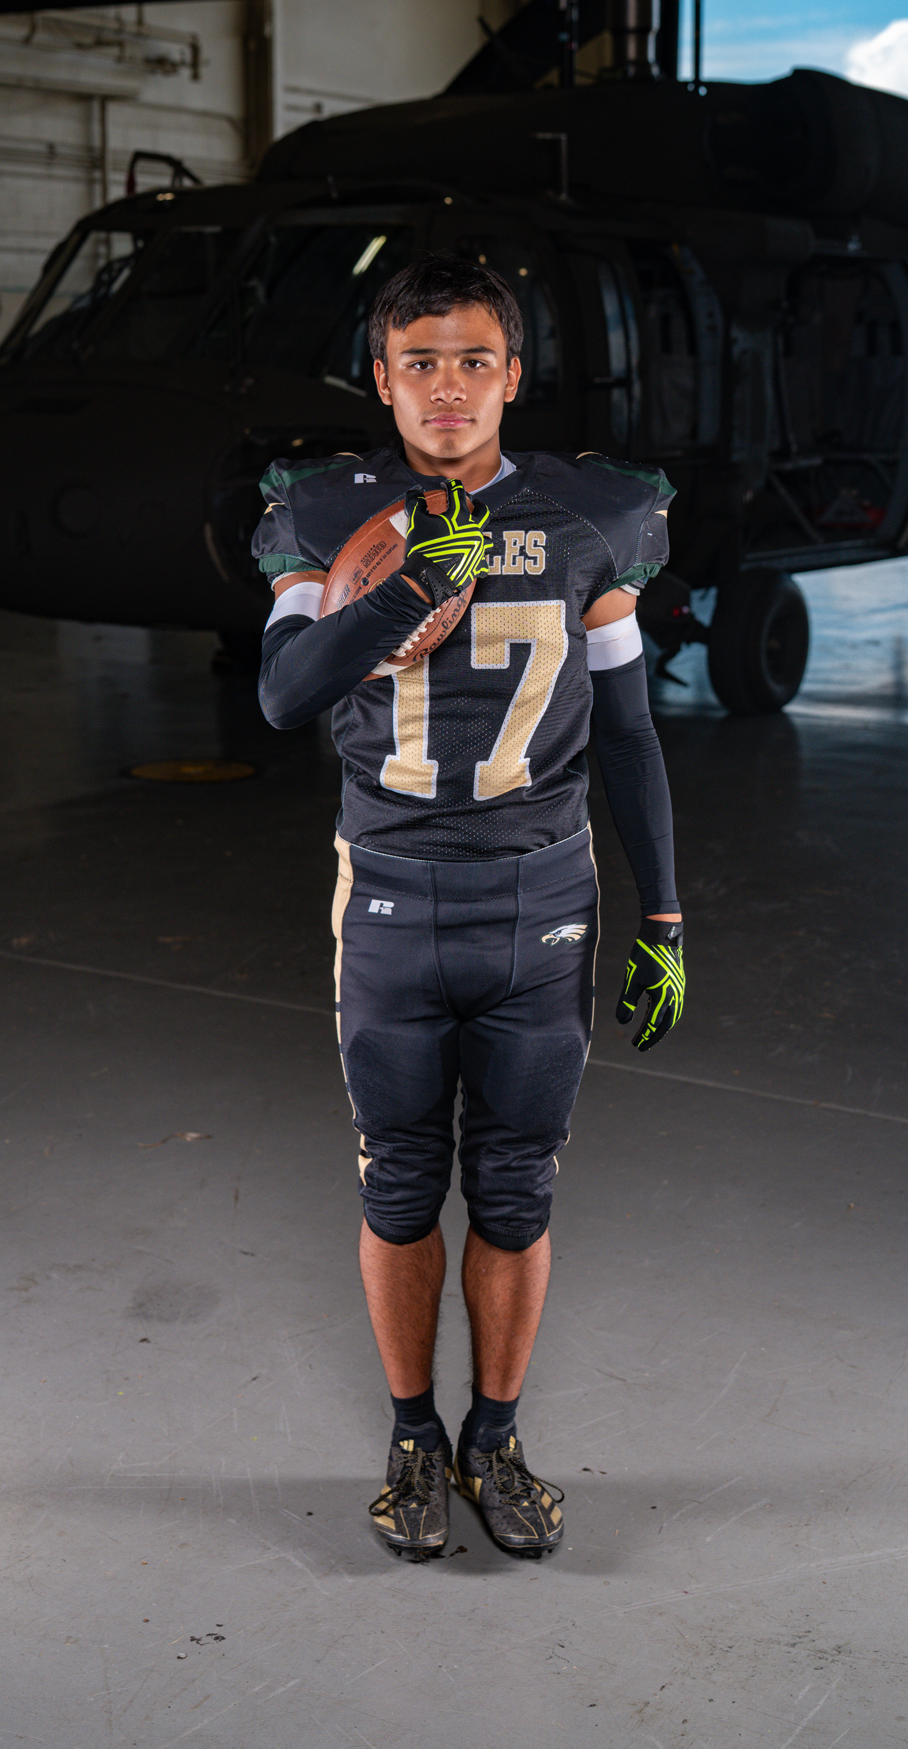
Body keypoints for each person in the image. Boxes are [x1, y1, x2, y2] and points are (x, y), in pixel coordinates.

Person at [252, 254, 684, 1559]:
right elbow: (284, 694)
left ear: (513, 376)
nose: (448, 387)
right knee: (399, 1185)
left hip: (542, 896)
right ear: (382, 380)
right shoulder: (326, 513)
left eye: (474, 361)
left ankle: (491, 1438)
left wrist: (664, 915)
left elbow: (628, 733)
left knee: (514, 1189)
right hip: (390, 894)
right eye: (421, 363)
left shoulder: (591, 514)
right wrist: (410, 585)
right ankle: (410, 1438)